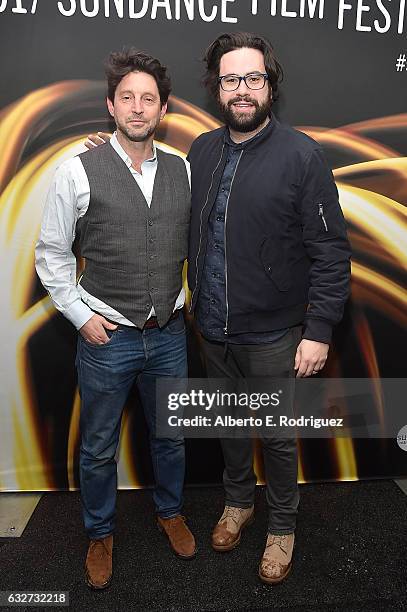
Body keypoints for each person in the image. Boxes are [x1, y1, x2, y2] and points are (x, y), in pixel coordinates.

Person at [186, 32, 351, 584]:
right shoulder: (201, 150)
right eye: (231, 79)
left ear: (270, 87)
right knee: (231, 426)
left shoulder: (302, 154)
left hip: (275, 334)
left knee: (277, 436)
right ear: (218, 88)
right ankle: (239, 503)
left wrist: (320, 328)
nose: (242, 90)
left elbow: (330, 250)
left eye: (253, 78)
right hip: (212, 328)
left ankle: (282, 525)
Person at [35, 48, 195, 591]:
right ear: (110, 105)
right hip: (106, 337)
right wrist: (80, 317)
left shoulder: (185, 170)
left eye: (148, 98)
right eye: (127, 97)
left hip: (169, 334)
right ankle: (100, 533)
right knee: (99, 445)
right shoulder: (76, 170)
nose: (137, 106)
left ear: (163, 109)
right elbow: (51, 254)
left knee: (170, 438)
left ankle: (170, 512)